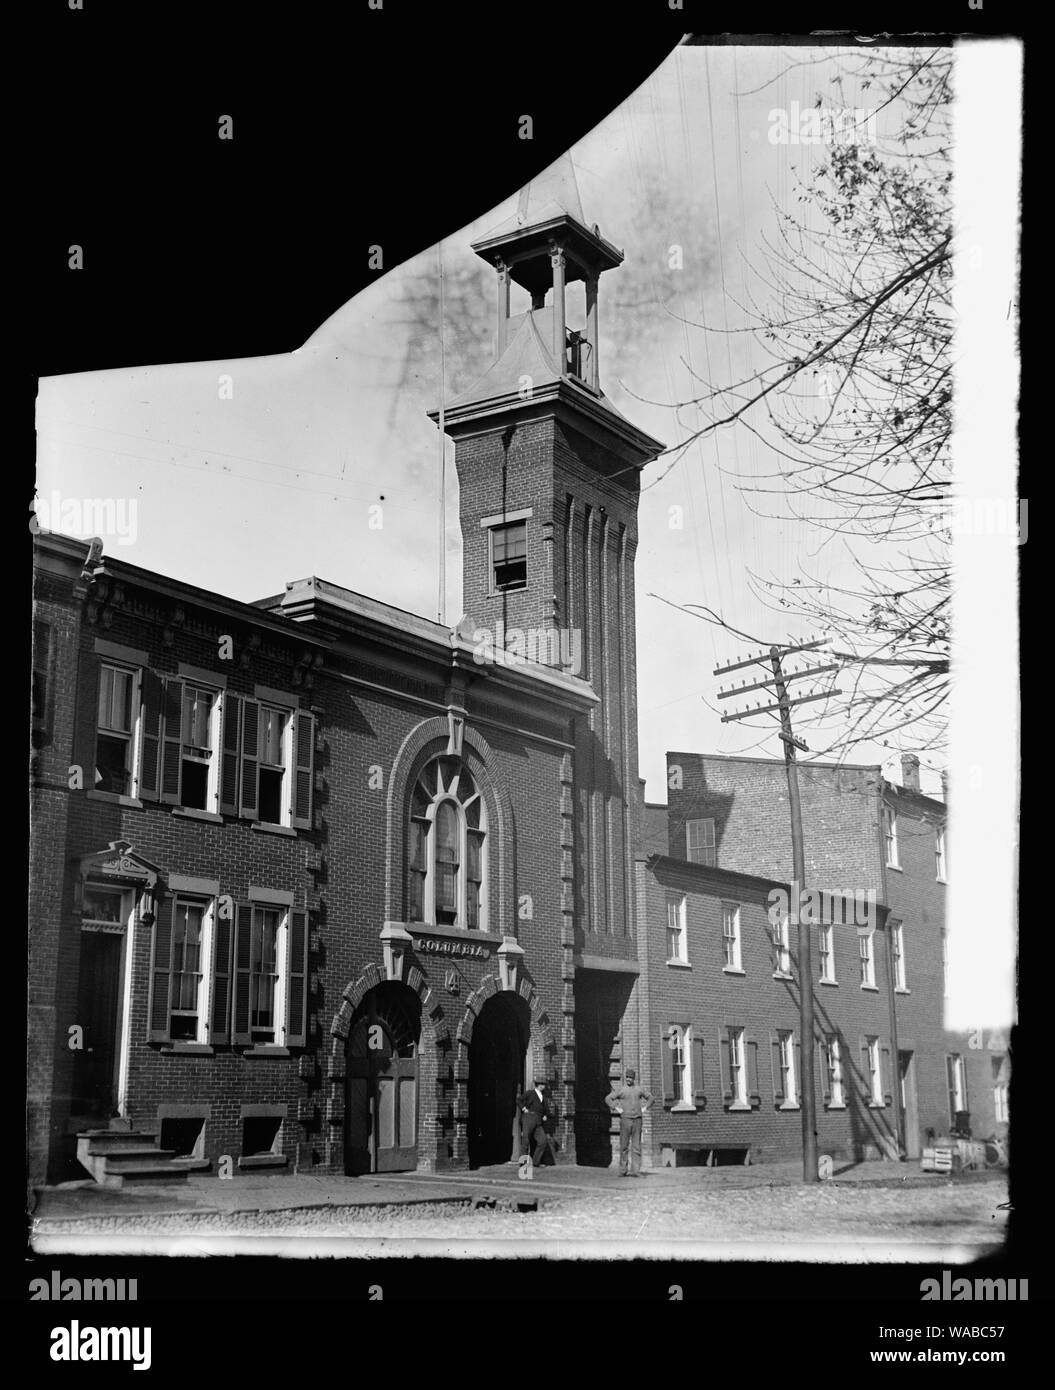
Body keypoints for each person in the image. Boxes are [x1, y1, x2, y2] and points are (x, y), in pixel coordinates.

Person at [605, 1068, 653, 1177]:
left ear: (633, 1078)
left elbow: (651, 1098)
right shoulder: (621, 1090)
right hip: (625, 1120)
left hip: (637, 1120)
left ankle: (636, 1171)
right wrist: (616, 1108)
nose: (628, 1079)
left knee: (636, 1146)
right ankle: (623, 1170)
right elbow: (608, 1098)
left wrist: (645, 1108)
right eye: (627, 1077)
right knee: (624, 1146)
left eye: (630, 1077)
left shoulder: (639, 1089)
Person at [516, 1079, 556, 1166]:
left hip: (538, 1121)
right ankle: (523, 1163)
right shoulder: (530, 1093)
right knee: (525, 1141)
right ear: (539, 1085)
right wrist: (524, 1109)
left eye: (544, 1085)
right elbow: (519, 1100)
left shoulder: (543, 1096)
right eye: (543, 1085)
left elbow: (544, 1109)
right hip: (529, 1118)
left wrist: (545, 1115)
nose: (544, 1087)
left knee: (543, 1141)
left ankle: (535, 1162)